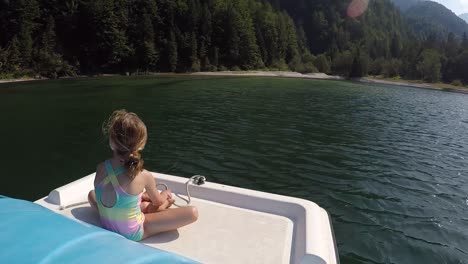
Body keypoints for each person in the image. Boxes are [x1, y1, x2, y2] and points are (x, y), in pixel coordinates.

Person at [88, 110, 198, 241]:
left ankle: (144, 205)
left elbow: (118, 189)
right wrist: (165, 195)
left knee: (91, 194)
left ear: (112, 143)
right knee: (192, 213)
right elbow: (158, 202)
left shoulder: (101, 168)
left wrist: (143, 195)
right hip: (132, 232)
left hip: (106, 224)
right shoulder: (144, 176)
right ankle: (156, 206)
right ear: (141, 145)